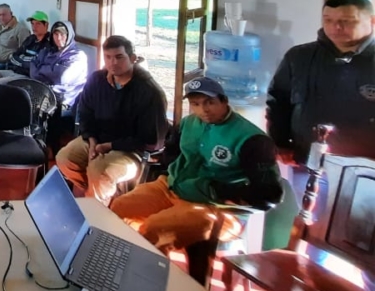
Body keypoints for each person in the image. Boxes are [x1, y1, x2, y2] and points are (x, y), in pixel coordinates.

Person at [112, 78, 283, 251]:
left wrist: (215, 191)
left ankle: (150, 265)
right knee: (119, 209)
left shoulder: (252, 139)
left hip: (218, 207)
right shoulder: (187, 123)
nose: (203, 110)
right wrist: (168, 174)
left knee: (154, 228)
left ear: (224, 101)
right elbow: (171, 153)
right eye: (195, 104)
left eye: (210, 102)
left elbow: (270, 195)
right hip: (173, 187)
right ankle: (120, 259)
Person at [268, 0, 375, 165]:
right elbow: (278, 102)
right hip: (304, 158)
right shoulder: (299, 56)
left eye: (346, 21)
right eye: (328, 20)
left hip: (365, 166)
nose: (336, 27)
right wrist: (279, 143)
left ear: (372, 21)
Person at [58, 35, 167, 204]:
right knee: (65, 158)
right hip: (97, 139)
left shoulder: (148, 91)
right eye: (108, 57)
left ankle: (95, 209)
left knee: (99, 171)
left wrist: (110, 146)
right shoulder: (97, 80)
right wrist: (92, 140)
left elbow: (150, 140)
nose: (113, 63)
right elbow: (85, 114)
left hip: (132, 150)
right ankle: (97, 196)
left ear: (132, 58)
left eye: (119, 57)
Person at [8, 11, 54, 76]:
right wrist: (24, 63)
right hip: (16, 70)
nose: (34, 27)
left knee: (0, 81)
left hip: (29, 76)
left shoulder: (50, 42)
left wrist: (22, 58)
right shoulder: (30, 39)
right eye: (32, 24)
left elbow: (38, 63)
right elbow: (13, 56)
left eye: (38, 24)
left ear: (46, 25)